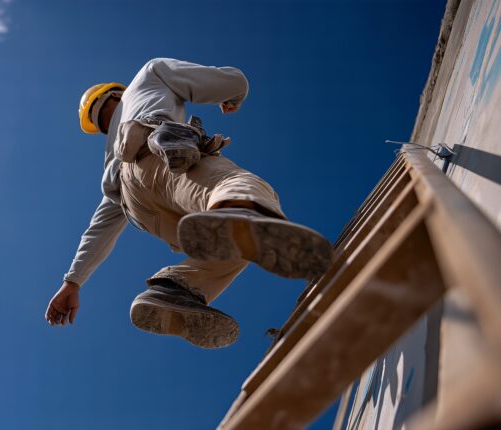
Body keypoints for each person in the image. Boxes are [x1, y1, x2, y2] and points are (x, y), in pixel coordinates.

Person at [45, 58, 332, 348]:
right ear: (117, 93)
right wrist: (233, 96)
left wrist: (73, 282)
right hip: (163, 153)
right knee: (245, 191)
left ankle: (176, 289)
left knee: (237, 243)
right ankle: (242, 209)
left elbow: (99, 230)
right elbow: (234, 82)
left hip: (139, 208)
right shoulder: (147, 76)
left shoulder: (113, 162)